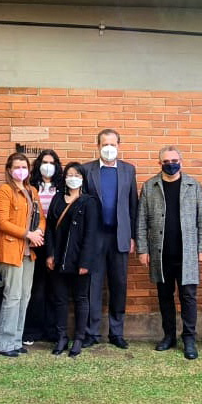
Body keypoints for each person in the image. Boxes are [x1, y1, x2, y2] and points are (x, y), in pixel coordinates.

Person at [136, 146, 202, 360]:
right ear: (159, 163)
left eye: (174, 160)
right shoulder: (150, 186)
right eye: (166, 161)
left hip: (188, 253)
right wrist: (142, 249)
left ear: (181, 162)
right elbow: (141, 221)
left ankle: (189, 338)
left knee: (189, 297)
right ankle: (169, 336)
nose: (171, 164)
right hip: (161, 254)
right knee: (165, 296)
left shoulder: (193, 185)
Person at [80, 129, 138, 349]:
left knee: (119, 285)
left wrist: (132, 236)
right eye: (105, 144)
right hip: (95, 237)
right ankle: (92, 332)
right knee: (93, 286)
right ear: (98, 146)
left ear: (119, 146)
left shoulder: (128, 170)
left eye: (113, 144)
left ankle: (116, 332)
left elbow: (133, 205)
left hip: (119, 236)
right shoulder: (87, 170)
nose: (109, 148)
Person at [45, 162, 101, 357]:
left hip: (79, 260)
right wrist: (50, 254)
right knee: (60, 299)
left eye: (77, 175)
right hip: (58, 258)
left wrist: (85, 262)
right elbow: (49, 228)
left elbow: (91, 235)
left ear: (83, 178)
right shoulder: (57, 199)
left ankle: (78, 338)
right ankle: (61, 337)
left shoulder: (89, 202)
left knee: (81, 299)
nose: (73, 178)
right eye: (69, 174)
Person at [0, 153, 45, 357]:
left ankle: (16, 340)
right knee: (12, 297)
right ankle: (4, 343)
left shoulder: (32, 191)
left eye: (24, 167)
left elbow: (42, 218)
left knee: (24, 296)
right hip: (11, 249)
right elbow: (2, 222)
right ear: (9, 169)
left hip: (28, 252)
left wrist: (38, 232)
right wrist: (27, 234)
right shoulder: (4, 190)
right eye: (17, 167)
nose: (21, 170)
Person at [23, 149, 62, 346]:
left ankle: (52, 331)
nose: (48, 166)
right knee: (36, 289)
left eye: (52, 163)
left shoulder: (61, 187)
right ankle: (32, 330)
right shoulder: (31, 187)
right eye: (44, 162)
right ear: (38, 165)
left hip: (56, 243)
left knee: (55, 289)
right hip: (35, 242)